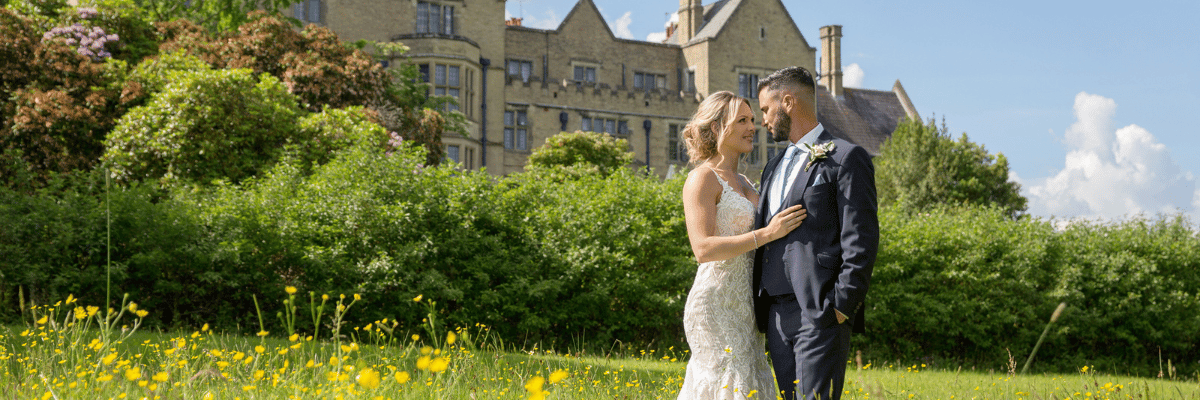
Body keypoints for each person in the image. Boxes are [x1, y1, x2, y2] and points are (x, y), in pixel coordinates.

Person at [751, 66, 879, 400]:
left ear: (788, 102)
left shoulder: (846, 157)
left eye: (766, 109)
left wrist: (840, 306)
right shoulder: (772, 168)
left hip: (820, 311)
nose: (763, 120)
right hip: (776, 315)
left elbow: (861, 240)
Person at [677, 90, 808, 399]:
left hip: (748, 306)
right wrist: (767, 233)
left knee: (751, 383)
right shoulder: (702, 179)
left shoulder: (748, 182)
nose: (752, 127)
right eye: (742, 121)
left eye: (752, 119)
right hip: (717, 303)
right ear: (716, 128)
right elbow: (703, 248)